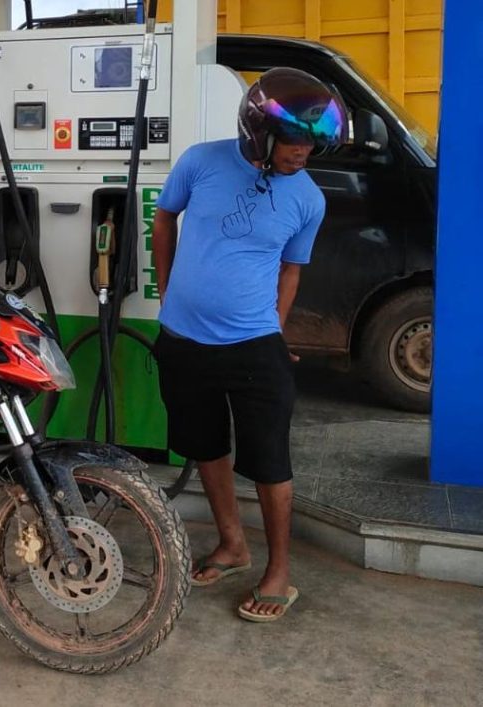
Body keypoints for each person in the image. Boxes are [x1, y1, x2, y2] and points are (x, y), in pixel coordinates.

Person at [151, 68, 346, 622]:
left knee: (269, 460)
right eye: (294, 142)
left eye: (313, 144)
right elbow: (164, 219)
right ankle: (233, 545)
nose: (303, 153)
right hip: (184, 340)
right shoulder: (200, 161)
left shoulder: (308, 200)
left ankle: (278, 572)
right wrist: (168, 297)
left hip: (253, 344)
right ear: (259, 132)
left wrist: (274, 329)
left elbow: (291, 271)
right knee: (206, 444)